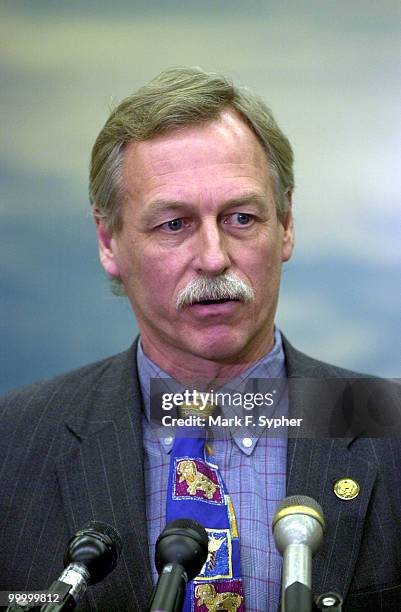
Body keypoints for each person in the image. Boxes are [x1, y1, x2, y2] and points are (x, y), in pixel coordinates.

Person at [0, 67, 399, 612]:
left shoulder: (387, 423)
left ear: (284, 225)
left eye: (240, 217)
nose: (213, 258)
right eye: (174, 224)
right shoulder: (13, 443)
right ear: (108, 241)